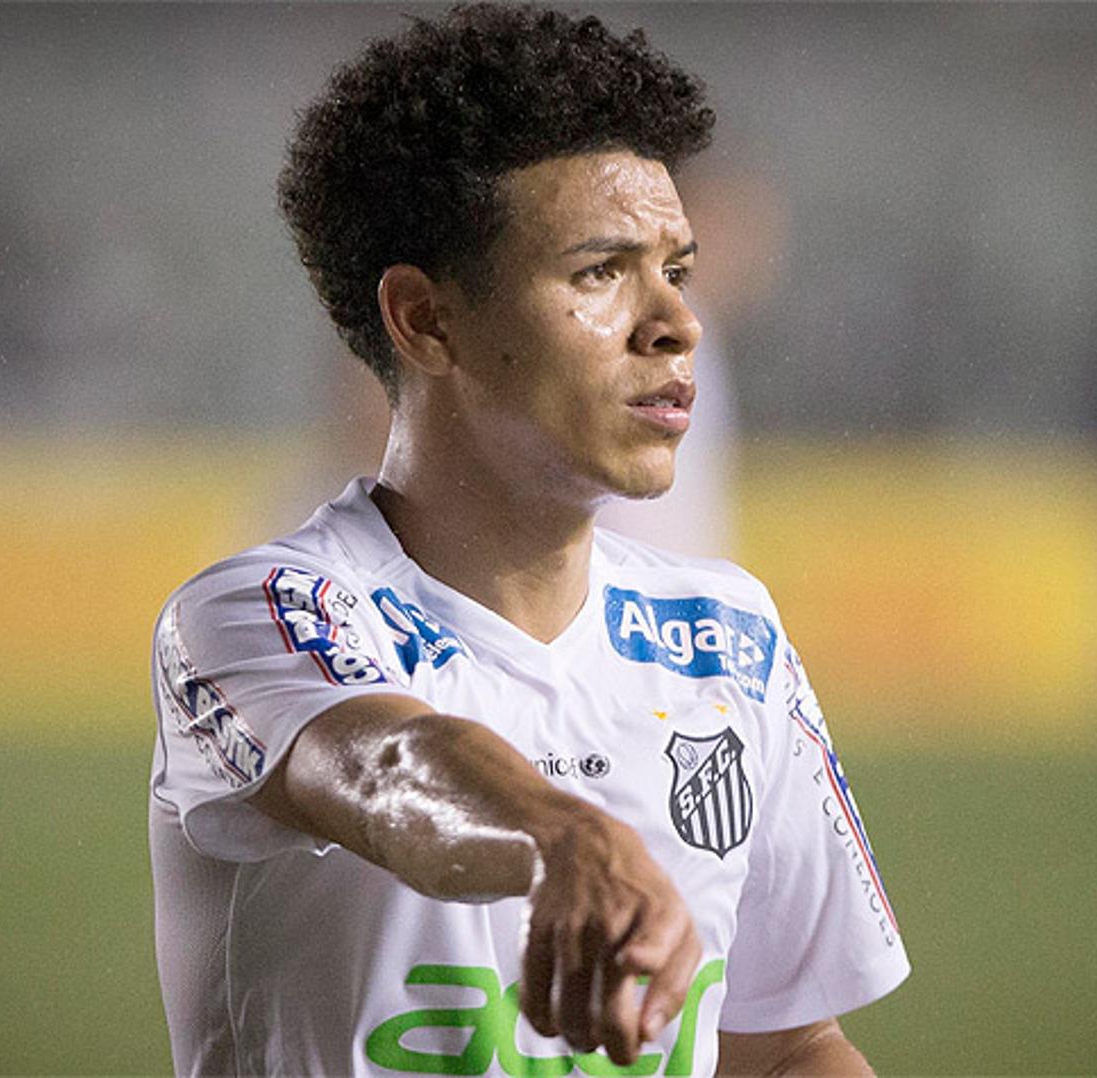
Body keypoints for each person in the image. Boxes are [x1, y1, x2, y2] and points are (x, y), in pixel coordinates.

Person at [147, 6, 908, 1075]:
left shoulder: (731, 638)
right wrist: (566, 839)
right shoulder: (253, 615)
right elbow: (384, 767)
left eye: (677, 270)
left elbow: (790, 1047)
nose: (678, 323)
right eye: (600, 272)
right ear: (425, 320)